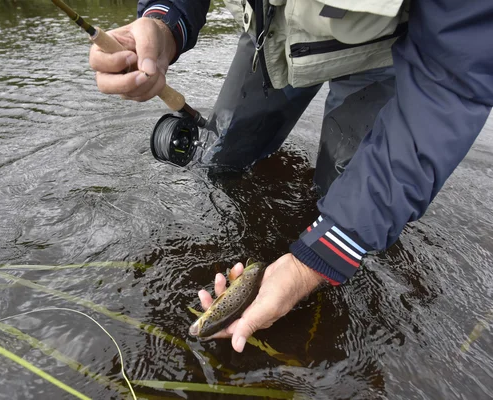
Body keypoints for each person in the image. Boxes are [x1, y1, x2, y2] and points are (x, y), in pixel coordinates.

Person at [89, 0, 493, 353]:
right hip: (273, 36)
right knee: (218, 162)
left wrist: (311, 265)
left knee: (342, 212)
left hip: (386, 54)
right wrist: (164, 22)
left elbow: (452, 82)